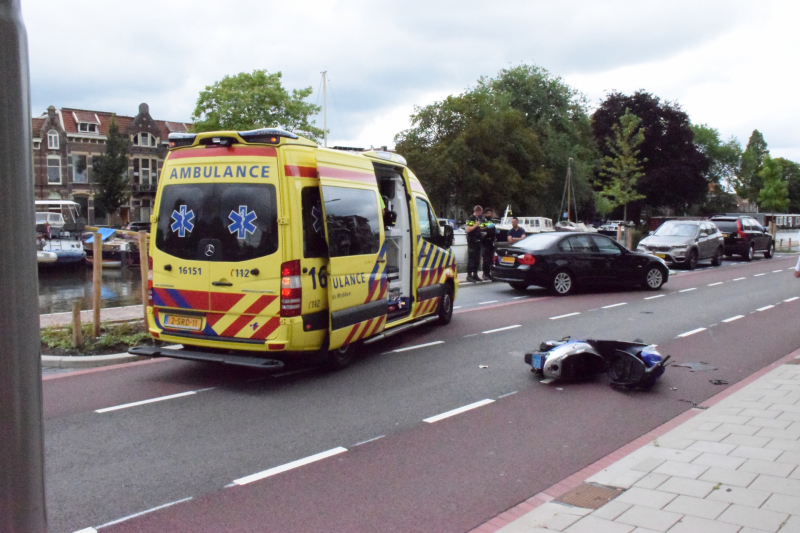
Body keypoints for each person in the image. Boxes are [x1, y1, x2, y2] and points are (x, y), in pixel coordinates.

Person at [465, 205, 484, 282]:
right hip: (472, 242)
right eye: (480, 212)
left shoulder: (478, 219)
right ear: (478, 211)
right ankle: (469, 275)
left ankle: (475, 274)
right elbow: (468, 229)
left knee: (477, 259)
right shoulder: (470, 219)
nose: (481, 213)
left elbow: (479, 228)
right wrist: (476, 225)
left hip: (478, 242)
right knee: (471, 258)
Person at [480, 207, 497, 280]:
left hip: (491, 242)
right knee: (486, 259)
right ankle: (485, 274)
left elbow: (493, 229)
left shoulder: (491, 221)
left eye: (490, 213)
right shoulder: (482, 221)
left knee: (491, 259)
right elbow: (480, 228)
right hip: (485, 242)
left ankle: (489, 273)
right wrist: (487, 227)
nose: (489, 214)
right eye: (488, 213)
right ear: (485, 214)